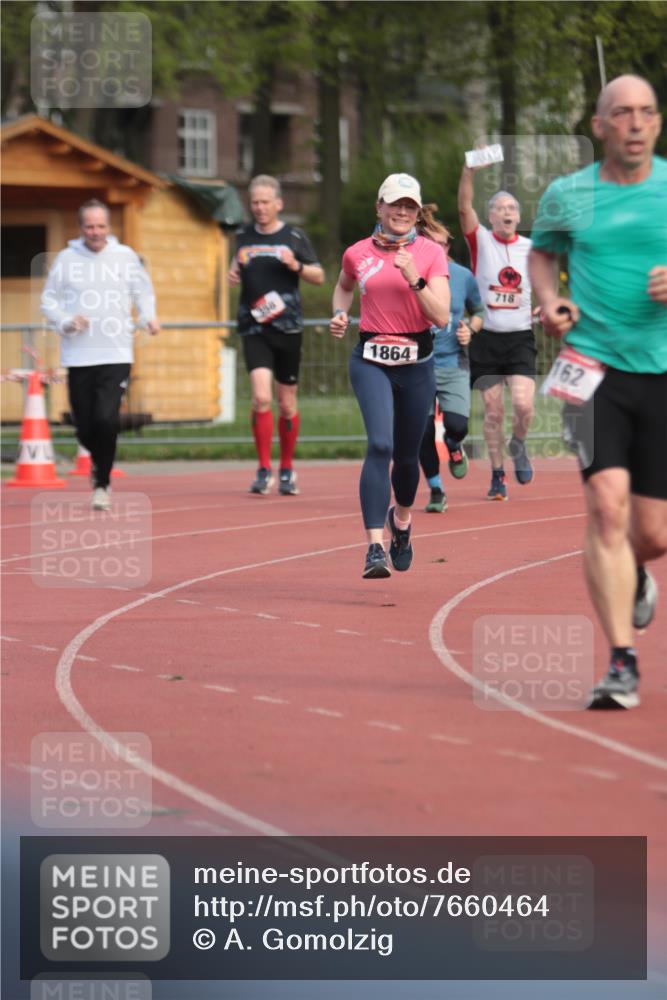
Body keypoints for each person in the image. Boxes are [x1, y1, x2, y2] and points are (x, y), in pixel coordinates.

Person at [529, 74, 667, 709]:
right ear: (599, 126)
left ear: (657, 123)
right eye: (622, 113)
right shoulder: (568, 195)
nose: (635, 123)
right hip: (592, 372)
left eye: (646, 112)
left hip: (661, 373)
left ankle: (633, 570)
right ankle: (620, 662)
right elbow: (542, 254)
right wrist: (549, 300)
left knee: (654, 533)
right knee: (606, 509)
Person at [330, 173, 450, 578]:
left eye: (409, 206)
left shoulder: (430, 254)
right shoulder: (356, 252)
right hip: (371, 359)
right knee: (380, 445)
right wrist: (340, 313)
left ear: (417, 213)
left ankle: (401, 521)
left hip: (417, 362)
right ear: (379, 207)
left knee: (407, 457)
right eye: (395, 204)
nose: (402, 212)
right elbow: (343, 286)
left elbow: (441, 316)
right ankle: (374, 548)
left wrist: (414, 278)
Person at [41, 199, 160, 511]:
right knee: (85, 426)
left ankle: (102, 484)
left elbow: (142, 291)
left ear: (109, 227)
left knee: (106, 419)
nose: (95, 232)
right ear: (81, 227)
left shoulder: (125, 256)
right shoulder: (67, 259)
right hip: (78, 356)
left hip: (116, 352)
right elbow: (48, 302)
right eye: (89, 226)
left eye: (100, 226)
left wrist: (148, 316)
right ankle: (99, 460)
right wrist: (67, 321)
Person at [230, 175, 324, 496]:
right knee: (260, 397)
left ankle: (286, 468)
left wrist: (296, 265)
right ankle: (263, 468)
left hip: (288, 328)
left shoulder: (294, 236)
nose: (259, 207)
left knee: (286, 403)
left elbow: (319, 275)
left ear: (278, 204)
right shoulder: (242, 236)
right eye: (254, 202)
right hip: (254, 327)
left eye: (265, 202)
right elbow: (237, 265)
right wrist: (233, 272)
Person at [458, 157, 536, 500]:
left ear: (518, 217)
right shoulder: (482, 241)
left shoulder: (531, 249)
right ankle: (497, 474)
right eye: (500, 208)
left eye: (512, 208)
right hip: (486, 337)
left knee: (523, 405)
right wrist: (469, 171)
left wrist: (545, 305)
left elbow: (543, 282)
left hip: (520, 337)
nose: (506, 212)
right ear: (490, 217)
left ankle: (518, 443)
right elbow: (464, 208)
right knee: (493, 411)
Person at [417, 211, 484, 513]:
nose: (438, 249)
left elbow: (479, 311)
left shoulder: (462, 276)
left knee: (457, 425)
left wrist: (470, 328)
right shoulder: (410, 273)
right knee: (422, 432)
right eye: (431, 243)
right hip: (418, 365)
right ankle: (436, 489)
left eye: (443, 244)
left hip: (452, 362)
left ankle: (455, 446)